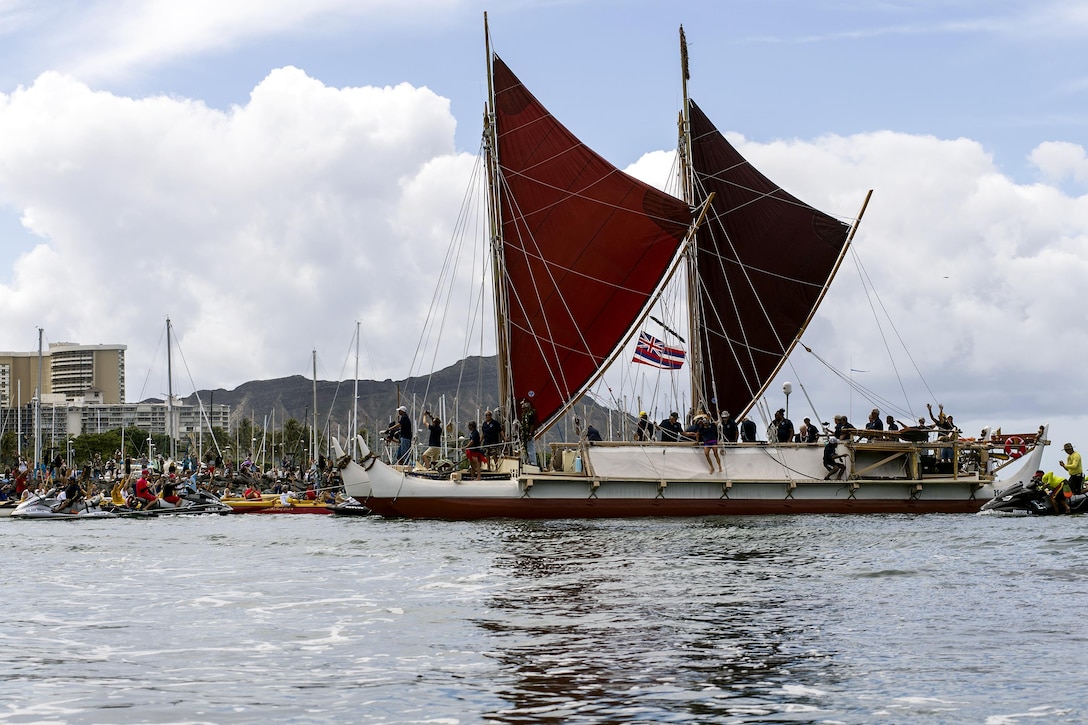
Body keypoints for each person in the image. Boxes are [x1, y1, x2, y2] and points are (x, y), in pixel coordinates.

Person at [519, 399, 538, 466]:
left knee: (530, 448)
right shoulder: (524, 416)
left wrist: (530, 434)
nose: (522, 409)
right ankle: (527, 461)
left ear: (527, 408)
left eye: (523, 408)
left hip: (529, 435)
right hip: (525, 435)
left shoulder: (530, 415)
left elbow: (532, 425)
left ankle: (533, 462)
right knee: (525, 449)